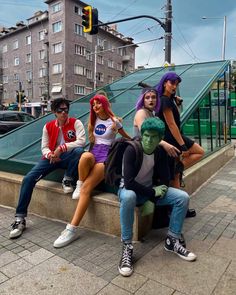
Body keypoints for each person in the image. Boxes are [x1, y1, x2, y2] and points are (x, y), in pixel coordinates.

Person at [118, 117, 197, 277]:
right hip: (128, 189)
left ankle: (172, 240)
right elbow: (129, 182)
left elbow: (164, 179)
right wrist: (152, 194)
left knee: (182, 197)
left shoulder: (160, 152)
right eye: (146, 135)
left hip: (149, 190)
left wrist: (151, 198)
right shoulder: (132, 149)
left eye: (153, 137)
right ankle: (127, 245)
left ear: (160, 139)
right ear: (142, 134)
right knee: (129, 197)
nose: (148, 140)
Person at [53, 94, 131, 248]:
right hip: (94, 153)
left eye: (98, 104)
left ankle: (71, 228)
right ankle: (79, 183)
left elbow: (125, 136)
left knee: (87, 189)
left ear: (104, 105)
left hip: (106, 157)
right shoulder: (93, 121)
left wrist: (136, 142)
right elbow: (90, 142)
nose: (95, 106)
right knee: (84, 157)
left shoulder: (114, 121)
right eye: (93, 104)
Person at [9, 98, 86, 239]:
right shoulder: (48, 126)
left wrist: (61, 148)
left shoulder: (76, 123)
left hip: (68, 157)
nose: (64, 112)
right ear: (54, 112)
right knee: (28, 179)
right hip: (51, 159)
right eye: (60, 110)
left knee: (79, 151)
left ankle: (68, 179)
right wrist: (50, 154)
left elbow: (81, 141)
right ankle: (20, 218)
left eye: (66, 110)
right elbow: (44, 147)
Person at [134, 87, 196, 218]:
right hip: (142, 157)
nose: (151, 100)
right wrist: (165, 144)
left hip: (151, 155)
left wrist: (177, 104)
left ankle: (172, 207)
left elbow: (175, 121)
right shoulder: (141, 113)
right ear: (142, 100)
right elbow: (146, 133)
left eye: (153, 97)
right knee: (169, 171)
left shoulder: (152, 114)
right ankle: (168, 211)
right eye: (147, 97)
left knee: (171, 171)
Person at [156, 72, 204, 188]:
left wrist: (176, 102)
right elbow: (172, 125)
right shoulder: (165, 101)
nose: (174, 86)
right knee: (200, 151)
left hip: (171, 137)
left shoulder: (168, 99)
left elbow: (176, 119)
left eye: (176, 84)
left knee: (175, 176)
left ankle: (176, 172)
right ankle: (176, 169)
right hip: (171, 138)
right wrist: (183, 146)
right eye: (172, 83)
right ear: (164, 83)